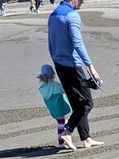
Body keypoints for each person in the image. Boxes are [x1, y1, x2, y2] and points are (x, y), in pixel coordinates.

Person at [47, 0, 103, 149]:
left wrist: (56, 62)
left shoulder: (53, 15)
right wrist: (90, 66)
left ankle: (86, 138)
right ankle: (67, 132)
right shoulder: (72, 16)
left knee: (77, 102)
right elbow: (77, 43)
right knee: (86, 103)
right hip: (73, 66)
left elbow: (50, 44)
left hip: (60, 65)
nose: (83, 2)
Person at [37, 64, 74, 150]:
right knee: (61, 124)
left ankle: (63, 141)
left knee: (62, 121)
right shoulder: (55, 85)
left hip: (53, 109)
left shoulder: (42, 87)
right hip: (59, 107)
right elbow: (63, 89)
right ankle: (61, 142)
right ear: (53, 74)